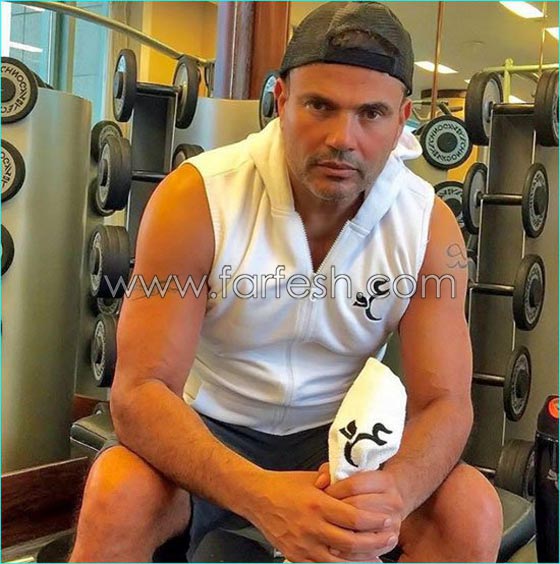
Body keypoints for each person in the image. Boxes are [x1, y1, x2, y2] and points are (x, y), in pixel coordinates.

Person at [70, 2, 503, 562]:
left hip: (342, 440)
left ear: (402, 120)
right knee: (117, 491)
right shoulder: (197, 198)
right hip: (209, 431)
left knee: (470, 508)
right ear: (281, 100)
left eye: (371, 113)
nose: (343, 138)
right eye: (320, 105)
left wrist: (392, 496)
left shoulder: (426, 226)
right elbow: (140, 390)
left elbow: (445, 403)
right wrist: (262, 496)